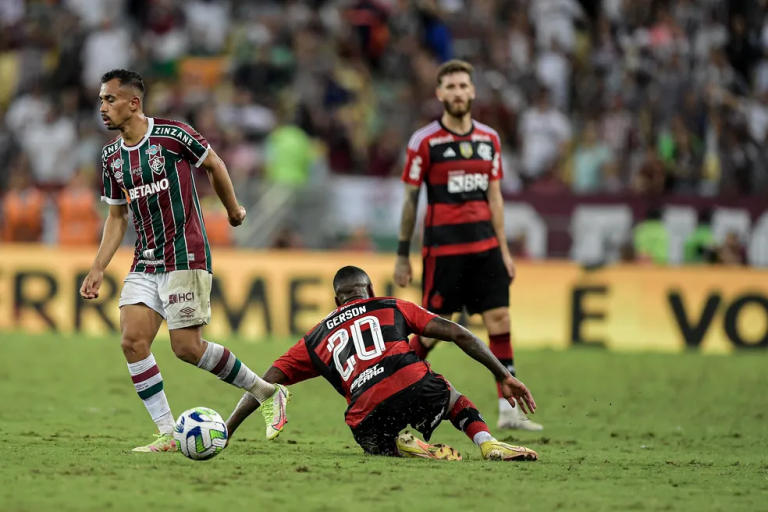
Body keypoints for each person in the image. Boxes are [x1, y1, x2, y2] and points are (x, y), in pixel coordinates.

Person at [79, 69, 289, 452]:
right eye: (101, 100)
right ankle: (167, 433)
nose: (103, 107)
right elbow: (117, 216)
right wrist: (98, 267)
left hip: (185, 253)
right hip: (145, 258)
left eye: (110, 99)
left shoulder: (173, 135)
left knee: (186, 349)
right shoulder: (111, 157)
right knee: (132, 341)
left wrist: (233, 210)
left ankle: (266, 391)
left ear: (134, 102)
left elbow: (215, 165)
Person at [225, 266, 539, 462]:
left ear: (337, 301)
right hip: (413, 385)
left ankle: (399, 446)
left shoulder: (314, 337)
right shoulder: (392, 305)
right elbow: (459, 333)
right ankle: (487, 443)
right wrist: (502, 375)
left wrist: (228, 429)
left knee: (374, 444)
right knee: (453, 397)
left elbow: (262, 382)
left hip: (366, 414)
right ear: (370, 291)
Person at [393, 59, 543, 431]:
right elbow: (411, 201)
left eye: (464, 86)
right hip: (443, 251)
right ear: (439, 93)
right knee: (431, 331)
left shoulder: (489, 139)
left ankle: (509, 411)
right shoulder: (424, 141)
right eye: (451, 87)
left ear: (473, 91)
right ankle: (390, 389)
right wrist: (402, 254)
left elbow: (495, 197)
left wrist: (505, 250)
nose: (458, 93)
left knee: (500, 319)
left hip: (486, 247)